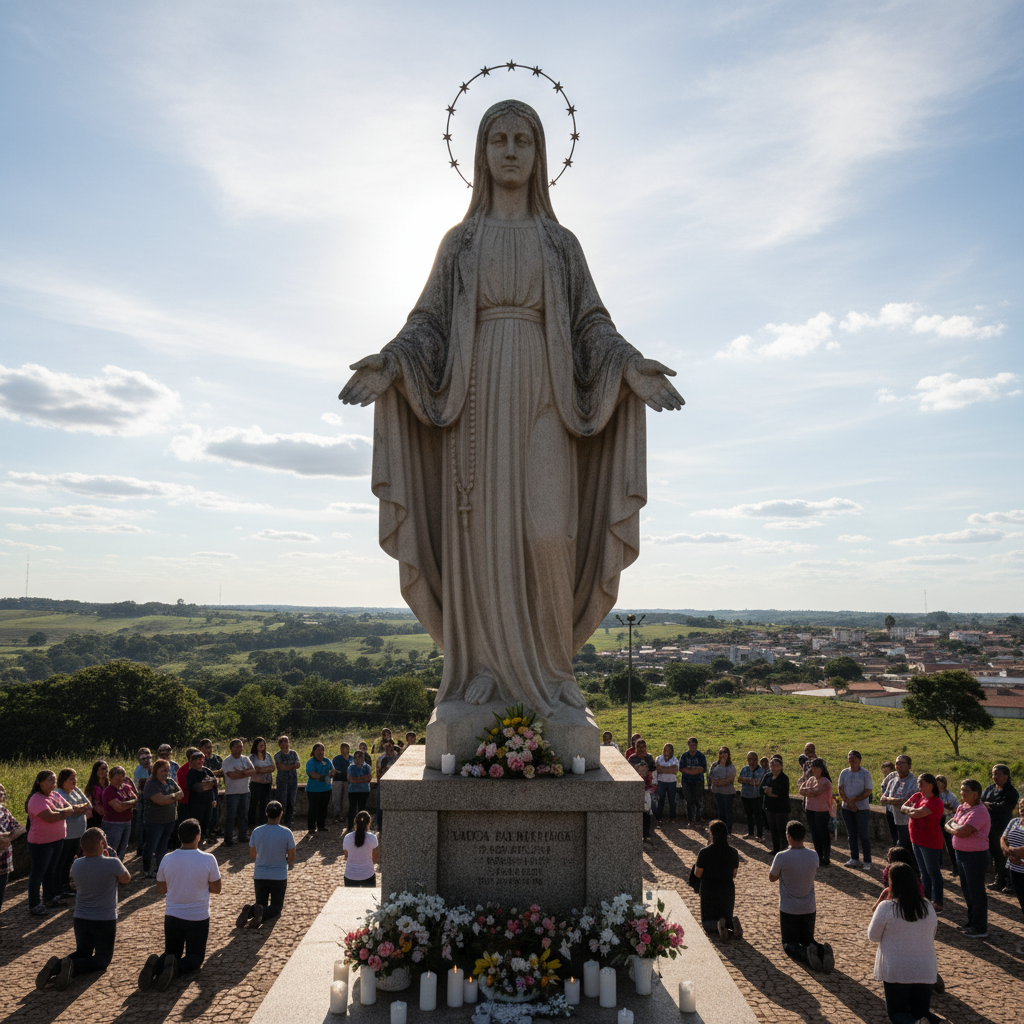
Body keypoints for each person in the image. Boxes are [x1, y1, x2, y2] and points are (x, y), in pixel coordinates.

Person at [338, 98, 682, 722]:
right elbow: (427, 324)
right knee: (480, 537)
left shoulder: (560, 243)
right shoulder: (461, 241)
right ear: (481, 152)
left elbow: (591, 324)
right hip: (472, 405)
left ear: (541, 152)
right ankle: (482, 670)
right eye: (499, 139)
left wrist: (630, 366)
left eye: (524, 139)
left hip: (547, 396)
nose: (512, 150)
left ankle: (551, 674)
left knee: (550, 534)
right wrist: (390, 363)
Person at [36, 827, 131, 992]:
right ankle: (72, 967)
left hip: (81, 916)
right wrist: (113, 858)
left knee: (83, 951)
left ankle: (57, 966)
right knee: (102, 959)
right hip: (104, 918)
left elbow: (74, 885)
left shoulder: (77, 864)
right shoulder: (112, 863)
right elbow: (126, 879)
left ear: (82, 847)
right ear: (102, 844)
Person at [139, 818, 221, 991]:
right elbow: (216, 889)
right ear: (198, 836)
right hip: (198, 917)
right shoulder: (209, 859)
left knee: (172, 952)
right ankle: (176, 969)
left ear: (179, 836)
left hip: (173, 915)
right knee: (195, 957)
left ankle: (157, 966)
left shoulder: (167, 858)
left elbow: (161, 889)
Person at [866, 862, 939, 1024]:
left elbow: (873, 936)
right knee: (921, 1011)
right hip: (925, 968)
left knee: (897, 1012)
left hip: (897, 969)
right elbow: (932, 932)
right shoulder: (927, 905)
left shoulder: (886, 907)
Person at [769, 820, 832, 972]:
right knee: (807, 940)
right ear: (804, 837)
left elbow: (772, 877)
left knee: (789, 944)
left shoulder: (781, 857)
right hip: (809, 908)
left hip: (789, 909)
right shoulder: (814, 855)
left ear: (788, 837)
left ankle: (806, 955)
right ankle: (822, 950)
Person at [236, 800, 296, 929]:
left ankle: (251, 912)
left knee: (260, 903)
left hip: (260, 874)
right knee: (276, 907)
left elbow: (253, 854)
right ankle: (259, 915)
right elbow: (291, 856)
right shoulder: (287, 833)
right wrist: (288, 863)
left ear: (266, 814)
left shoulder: (257, 831)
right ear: (281, 814)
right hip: (279, 875)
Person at [945, 779, 991, 938]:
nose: (962, 793)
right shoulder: (962, 807)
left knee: (976, 891)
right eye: (961, 790)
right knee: (967, 890)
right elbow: (948, 823)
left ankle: (980, 927)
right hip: (961, 854)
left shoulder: (980, 812)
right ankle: (971, 922)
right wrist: (956, 829)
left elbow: (963, 831)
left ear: (975, 794)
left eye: (965, 791)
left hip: (975, 856)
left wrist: (955, 828)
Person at [26, 769, 73, 914]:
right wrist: (63, 812)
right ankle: (34, 904)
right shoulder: (36, 799)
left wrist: (61, 812)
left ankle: (49, 898)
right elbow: (49, 817)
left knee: (50, 871)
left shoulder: (55, 795)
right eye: (50, 781)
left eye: (54, 780)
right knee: (38, 873)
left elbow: (70, 808)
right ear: (41, 783)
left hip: (57, 839)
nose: (54, 784)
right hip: (41, 843)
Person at [900, 773, 945, 911]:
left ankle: (937, 900)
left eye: (922, 783)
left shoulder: (935, 801)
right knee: (923, 871)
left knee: (933, 871)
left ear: (930, 785)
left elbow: (917, 814)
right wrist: (912, 810)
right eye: (918, 783)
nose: (919, 786)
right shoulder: (918, 796)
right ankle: (926, 897)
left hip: (930, 842)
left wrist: (911, 810)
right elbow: (903, 808)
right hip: (916, 839)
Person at [694, 819, 741, 940]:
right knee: (726, 916)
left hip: (709, 889)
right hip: (727, 890)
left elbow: (698, 874)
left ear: (712, 834)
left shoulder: (704, 852)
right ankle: (730, 926)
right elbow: (734, 874)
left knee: (708, 923)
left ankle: (718, 926)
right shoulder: (733, 852)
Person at [142, 759, 184, 878]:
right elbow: (160, 800)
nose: (165, 773)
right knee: (151, 844)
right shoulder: (151, 784)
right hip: (155, 821)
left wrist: (170, 797)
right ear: (156, 770)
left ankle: (159, 868)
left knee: (163, 845)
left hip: (169, 819)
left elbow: (181, 794)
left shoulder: (170, 781)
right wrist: (173, 796)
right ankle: (146, 869)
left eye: (167, 770)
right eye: (163, 770)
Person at [982, 763, 1019, 892]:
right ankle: (999, 880)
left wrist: (990, 805)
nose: (994, 777)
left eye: (997, 774)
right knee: (995, 854)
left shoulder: (1011, 792)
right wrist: (989, 805)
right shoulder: (990, 788)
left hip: (1003, 827)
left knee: (1004, 855)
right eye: (993, 774)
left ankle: (1008, 883)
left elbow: (1005, 807)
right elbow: (981, 801)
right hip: (989, 826)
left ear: (1006, 776)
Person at [54, 768, 91, 898]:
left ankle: (66, 885)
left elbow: (88, 805)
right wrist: (78, 809)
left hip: (78, 834)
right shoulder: (58, 794)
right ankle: (58, 888)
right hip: (66, 835)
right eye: (71, 779)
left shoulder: (76, 791)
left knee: (70, 861)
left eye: (75, 778)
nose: (74, 781)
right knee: (61, 862)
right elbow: (68, 812)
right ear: (63, 781)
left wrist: (77, 808)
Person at [838, 750, 874, 871]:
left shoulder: (865, 774)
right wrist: (848, 802)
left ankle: (867, 860)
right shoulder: (844, 773)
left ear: (859, 760)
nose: (851, 760)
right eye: (849, 758)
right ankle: (854, 857)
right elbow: (841, 788)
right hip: (847, 808)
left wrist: (852, 801)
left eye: (853, 758)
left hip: (862, 808)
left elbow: (867, 791)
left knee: (864, 835)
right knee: (851, 834)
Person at [798, 758, 834, 868]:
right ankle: (818, 855)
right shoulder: (811, 780)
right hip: (810, 809)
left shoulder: (826, 782)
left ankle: (826, 856)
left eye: (815, 767)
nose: (813, 769)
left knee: (823, 833)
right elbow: (801, 790)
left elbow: (816, 793)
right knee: (814, 833)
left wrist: (808, 791)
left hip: (822, 811)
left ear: (821, 769)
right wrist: (810, 791)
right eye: (812, 767)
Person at [0, 782, 27, 923]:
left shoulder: (4, 811)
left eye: (2, 791)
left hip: (4, 860)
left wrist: (9, 838)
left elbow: (20, 828)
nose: (1, 793)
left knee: (1, 892)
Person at [221, 738, 256, 846]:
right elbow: (232, 776)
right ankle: (228, 838)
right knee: (231, 816)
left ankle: (242, 836)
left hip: (245, 791)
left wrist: (240, 772)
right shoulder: (227, 761)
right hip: (232, 792)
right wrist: (245, 773)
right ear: (231, 748)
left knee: (243, 815)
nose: (240, 749)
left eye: (241, 746)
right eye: (237, 747)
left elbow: (254, 771)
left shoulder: (245, 759)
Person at [880, 755, 917, 855]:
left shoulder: (914, 782)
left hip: (908, 821)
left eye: (901, 763)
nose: (898, 765)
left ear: (909, 766)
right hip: (894, 817)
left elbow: (907, 801)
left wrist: (890, 800)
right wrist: (893, 800)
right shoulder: (892, 781)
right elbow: (883, 798)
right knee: (898, 847)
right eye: (897, 763)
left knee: (908, 849)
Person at [100, 766, 138, 863]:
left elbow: (136, 800)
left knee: (123, 848)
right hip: (113, 823)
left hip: (127, 822)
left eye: (122, 776)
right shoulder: (109, 791)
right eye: (117, 778)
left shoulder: (126, 787)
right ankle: (109, 869)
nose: (120, 779)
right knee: (112, 849)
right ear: (111, 779)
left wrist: (125, 803)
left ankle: (118, 868)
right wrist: (130, 803)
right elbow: (119, 808)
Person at [184, 751, 217, 845]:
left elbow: (214, 785)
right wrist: (209, 784)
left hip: (208, 803)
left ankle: (201, 843)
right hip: (196, 804)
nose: (200, 761)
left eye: (201, 759)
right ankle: (194, 845)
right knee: (196, 826)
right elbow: (198, 788)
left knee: (205, 825)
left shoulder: (205, 771)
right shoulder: (191, 773)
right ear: (192, 761)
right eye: (197, 759)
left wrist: (213, 798)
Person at [761, 756, 791, 855]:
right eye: (772, 765)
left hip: (781, 808)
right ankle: (776, 849)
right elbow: (760, 790)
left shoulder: (784, 778)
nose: (774, 768)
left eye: (776, 766)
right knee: (773, 829)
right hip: (770, 807)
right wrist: (767, 791)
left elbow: (783, 792)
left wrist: (771, 791)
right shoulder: (767, 776)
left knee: (781, 829)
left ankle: (784, 849)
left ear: (781, 766)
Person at [1000, 795, 1024, 918]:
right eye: (1021, 806)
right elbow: (1003, 838)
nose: (1022, 809)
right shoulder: (1014, 821)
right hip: (1014, 867)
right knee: (1021, 897)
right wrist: (1009, 852)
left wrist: (1011, 851)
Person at [343, 810, 379, 887]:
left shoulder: (347, 837)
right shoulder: (373, 838)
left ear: (355, 822)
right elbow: (375, 858)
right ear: (369, 823)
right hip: (368, 875)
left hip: (350, 875)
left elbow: (346, 856)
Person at [306, 743, 334, 834]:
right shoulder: (311, 762)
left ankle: (321, 826)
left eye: (322, 750)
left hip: (326, 789)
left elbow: (332, 771)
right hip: (313, 790)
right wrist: (325, 776)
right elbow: (312, 774)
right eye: (318, 750)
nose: (320, 752)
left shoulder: (327, 761)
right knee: (313, 809)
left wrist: (331, 773)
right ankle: (311, 827)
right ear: (314, 751)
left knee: (323, 808)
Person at [248, 737, 275, 830]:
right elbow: (253, 770)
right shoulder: (251, 757)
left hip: (267, 783)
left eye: (263, 745)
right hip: (256, 783)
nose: (262, 747)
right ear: (255, 746)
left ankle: (262, 821)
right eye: (260, 745)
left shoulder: (268, 755)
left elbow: (273, 768)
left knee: (264, 803)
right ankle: (251, 822)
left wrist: (261, 769)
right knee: (253, 803)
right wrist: (266, 769)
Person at [934, 774, 959, 877]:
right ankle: (938, 866)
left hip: (947, 822)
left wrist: (947, 808)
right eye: (937, 784)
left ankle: (956, 869)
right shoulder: (934, 795)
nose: (939, 786)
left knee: (950, 846)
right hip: (936, 822)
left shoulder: (950, 795)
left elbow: (957, 809)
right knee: (936, 845)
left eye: (941, 784)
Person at [679, 738, 707, 827]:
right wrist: (695, 770)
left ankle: (698, 819)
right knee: (689, 801)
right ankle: (690, 820)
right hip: (687, 782)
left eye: (694, 745)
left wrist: (690, 770)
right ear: (688, 745)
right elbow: (682, 768)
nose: (693, 747)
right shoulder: (684, 756)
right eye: (691, 745)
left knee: (698, 801)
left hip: (698, 781)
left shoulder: (701, 756)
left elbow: (703, 769)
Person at [199, 740, 224, 837]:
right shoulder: (199, 759)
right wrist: (213, 774)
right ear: (201, 748)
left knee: (216, 811)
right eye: (207, 747)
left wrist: (211, 774)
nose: (209, 750)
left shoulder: (217, 759)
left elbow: (223, 772)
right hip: (204, 791)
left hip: (215, 789)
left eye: (211, 747)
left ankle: (213, 830)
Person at [738, 750, 766, 840]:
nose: (751, 760)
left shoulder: (762, 771)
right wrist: (749, 780)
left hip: (757, 796)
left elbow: (757, 782)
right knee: (748, 815)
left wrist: (745, 780)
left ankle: (760, 835)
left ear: (757, 760)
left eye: (753, 758)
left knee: (758, 816)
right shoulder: (744, 769)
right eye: (750, 758)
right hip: (745, 796)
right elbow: (739, 779)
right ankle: (750, 833)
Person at [274, 735, 301, 827]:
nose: (285, 743)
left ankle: (289, 821)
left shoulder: (293, 753)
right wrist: (292, 766)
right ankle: (280, 820)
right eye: (283, 741)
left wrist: (288, 766)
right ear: (280, 744)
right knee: (282, 801)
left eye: (287, 741)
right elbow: (281, 767)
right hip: (282, 781)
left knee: (291, 801)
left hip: (293, 780)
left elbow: (298, 764)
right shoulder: (277, 755)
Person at [709, 747, 737, 833]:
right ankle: (721, 830)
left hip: (728, 793)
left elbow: (729, 780)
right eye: (721, 752)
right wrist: (718, 782)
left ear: (728, 754)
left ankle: (728, 830)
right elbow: (711, 777)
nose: (723, 754)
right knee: (721, 811)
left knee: (728, 811)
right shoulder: (714, 765)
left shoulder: (731, 766)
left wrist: (718, 782)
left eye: (725, 752)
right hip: (717, 792)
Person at [375, 740, 400, 832]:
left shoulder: (398, 758)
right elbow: (378, 773)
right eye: (385, 744)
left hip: (394, 784)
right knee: (380, 806)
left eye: (389, 744)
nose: (387, 746)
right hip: (383, 784)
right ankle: (380, 827)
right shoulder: (380, 758)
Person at [347, 749, 372, 831]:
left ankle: (362, 826)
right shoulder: (351, 767)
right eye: (359, 756)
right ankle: (350, 826)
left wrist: (358, 779)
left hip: (364, 790)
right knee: (352, 809)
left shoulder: (367, 767)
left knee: (362, 809)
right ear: (355, 758)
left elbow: (369, 779)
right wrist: (363, 778)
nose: (362, 758)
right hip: (353, 791)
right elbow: (351, 779)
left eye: (362, 756)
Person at [132, 749, 152, 855]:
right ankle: (140, 847)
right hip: (142, 798)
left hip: (153, 798)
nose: (146, 760)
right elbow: (143, 786)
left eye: (148, 757)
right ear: (139, 760)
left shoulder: (153, 767)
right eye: (143, 758)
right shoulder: (138, 770)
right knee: (141, 824)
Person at [654, 743, 679, 821]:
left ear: (672, 751)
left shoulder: (675, 759)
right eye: (666, 749)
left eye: (669, 749)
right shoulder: (659, 758)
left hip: (672, 782)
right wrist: (669, 769)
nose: (667, 751)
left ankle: (672, 817)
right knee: (661, 799)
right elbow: (657, 769)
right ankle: (659, 817)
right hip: (661, 782)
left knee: (672, 800)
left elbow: (675, 770)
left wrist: (662, 768)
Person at [635, 760, 656, 843]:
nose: (642, 772)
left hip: (647, 794)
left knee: (646, 815)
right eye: (641, 770)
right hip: (638, 794)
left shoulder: (650, 776)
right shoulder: (635, 777)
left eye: (644, 770)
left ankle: (646, 835)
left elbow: (653, 786)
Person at [84, 760, 108, 830]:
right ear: (96, 771)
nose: (105, 771)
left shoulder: (109, 784)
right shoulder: (91, 786)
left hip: (107, 816)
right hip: (95, 818)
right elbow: (88, 803)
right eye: (102, 769)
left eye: (106, 768)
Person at [330, 743, 351, 823]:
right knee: (336, 799)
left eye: (347, 748)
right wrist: (346, 773)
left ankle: (345, 816)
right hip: (337, 780)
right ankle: (336, 816)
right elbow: (335, 770)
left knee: (346, 799)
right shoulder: (336, 759)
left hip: (348, 781)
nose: (345, 750)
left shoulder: (351, 758)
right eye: (343, 748)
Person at [879, 760, 898, 846]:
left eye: (887, 771)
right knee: (892, 830)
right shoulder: (885, 782)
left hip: (897, 810)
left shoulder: (898, 780)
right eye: (884, 772)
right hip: (889, 809)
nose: (885, 774)